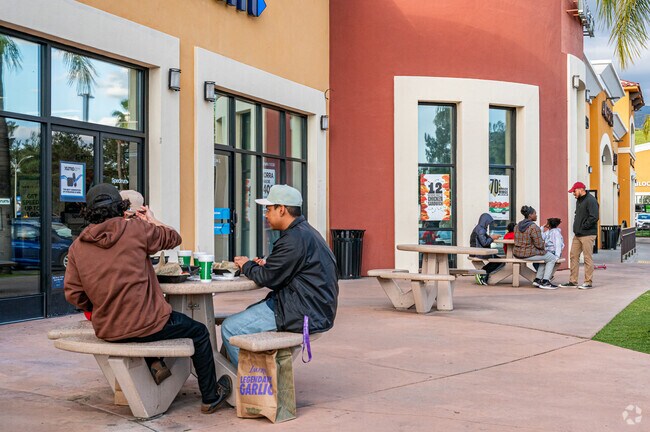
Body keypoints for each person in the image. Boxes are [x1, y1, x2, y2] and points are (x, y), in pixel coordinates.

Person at [64, 183, 230, 414]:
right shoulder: (135, 230)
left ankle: (155, 363)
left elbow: (74, 294)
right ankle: (211, 396)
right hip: (147, 324)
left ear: (89, 212)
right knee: (200, 331)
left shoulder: (77, 247)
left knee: (151, 321)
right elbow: (174, 237)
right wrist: (151, 219)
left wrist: (104, 305)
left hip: (109, 329)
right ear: (121, 208)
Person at [221, 184, 339, 366]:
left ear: (282, 209)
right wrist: (268, 265)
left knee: (231, 327)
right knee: (246, 316)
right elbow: (284, 269)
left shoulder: (293, 239)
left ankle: (256, 386)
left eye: (268, 209)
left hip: (303, 312)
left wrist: (246, 265)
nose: (266, 215)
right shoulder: (305, 233)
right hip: (313, 309)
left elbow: (267, 278)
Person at [559, 182, 599, 289]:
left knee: (587, 258)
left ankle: (588, 282)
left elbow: (594, 217)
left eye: (574, 191)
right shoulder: (579, 201)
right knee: (573, 256)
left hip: (588, 234)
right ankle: (573, 281)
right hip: (578, 234)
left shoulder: (591, 200)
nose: (573, 193)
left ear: (581, 189)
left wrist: (584, 226)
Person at [513, 205, 558, 289]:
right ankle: (545, 282)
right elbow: (539, 245)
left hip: (517, 253)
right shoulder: (533, 227)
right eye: (535, 213)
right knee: (551, 258)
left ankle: (537, 280)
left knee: (545, 258)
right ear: (530, 215)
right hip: (528, 254)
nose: (536, 215)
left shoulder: (517, 226)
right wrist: (544, 245)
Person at [469, 213, 502, 285]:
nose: (488, 225)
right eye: (488, 223)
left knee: (498, 259)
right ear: (485, 221)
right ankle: (483, 273)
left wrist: (490, 237)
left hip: (475, 252)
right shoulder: (481, 230)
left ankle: (483, 274)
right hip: (479, 253)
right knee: (499, 260)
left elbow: (482, 239)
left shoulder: (479, 228)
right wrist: (492, 238)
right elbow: (485, 243)